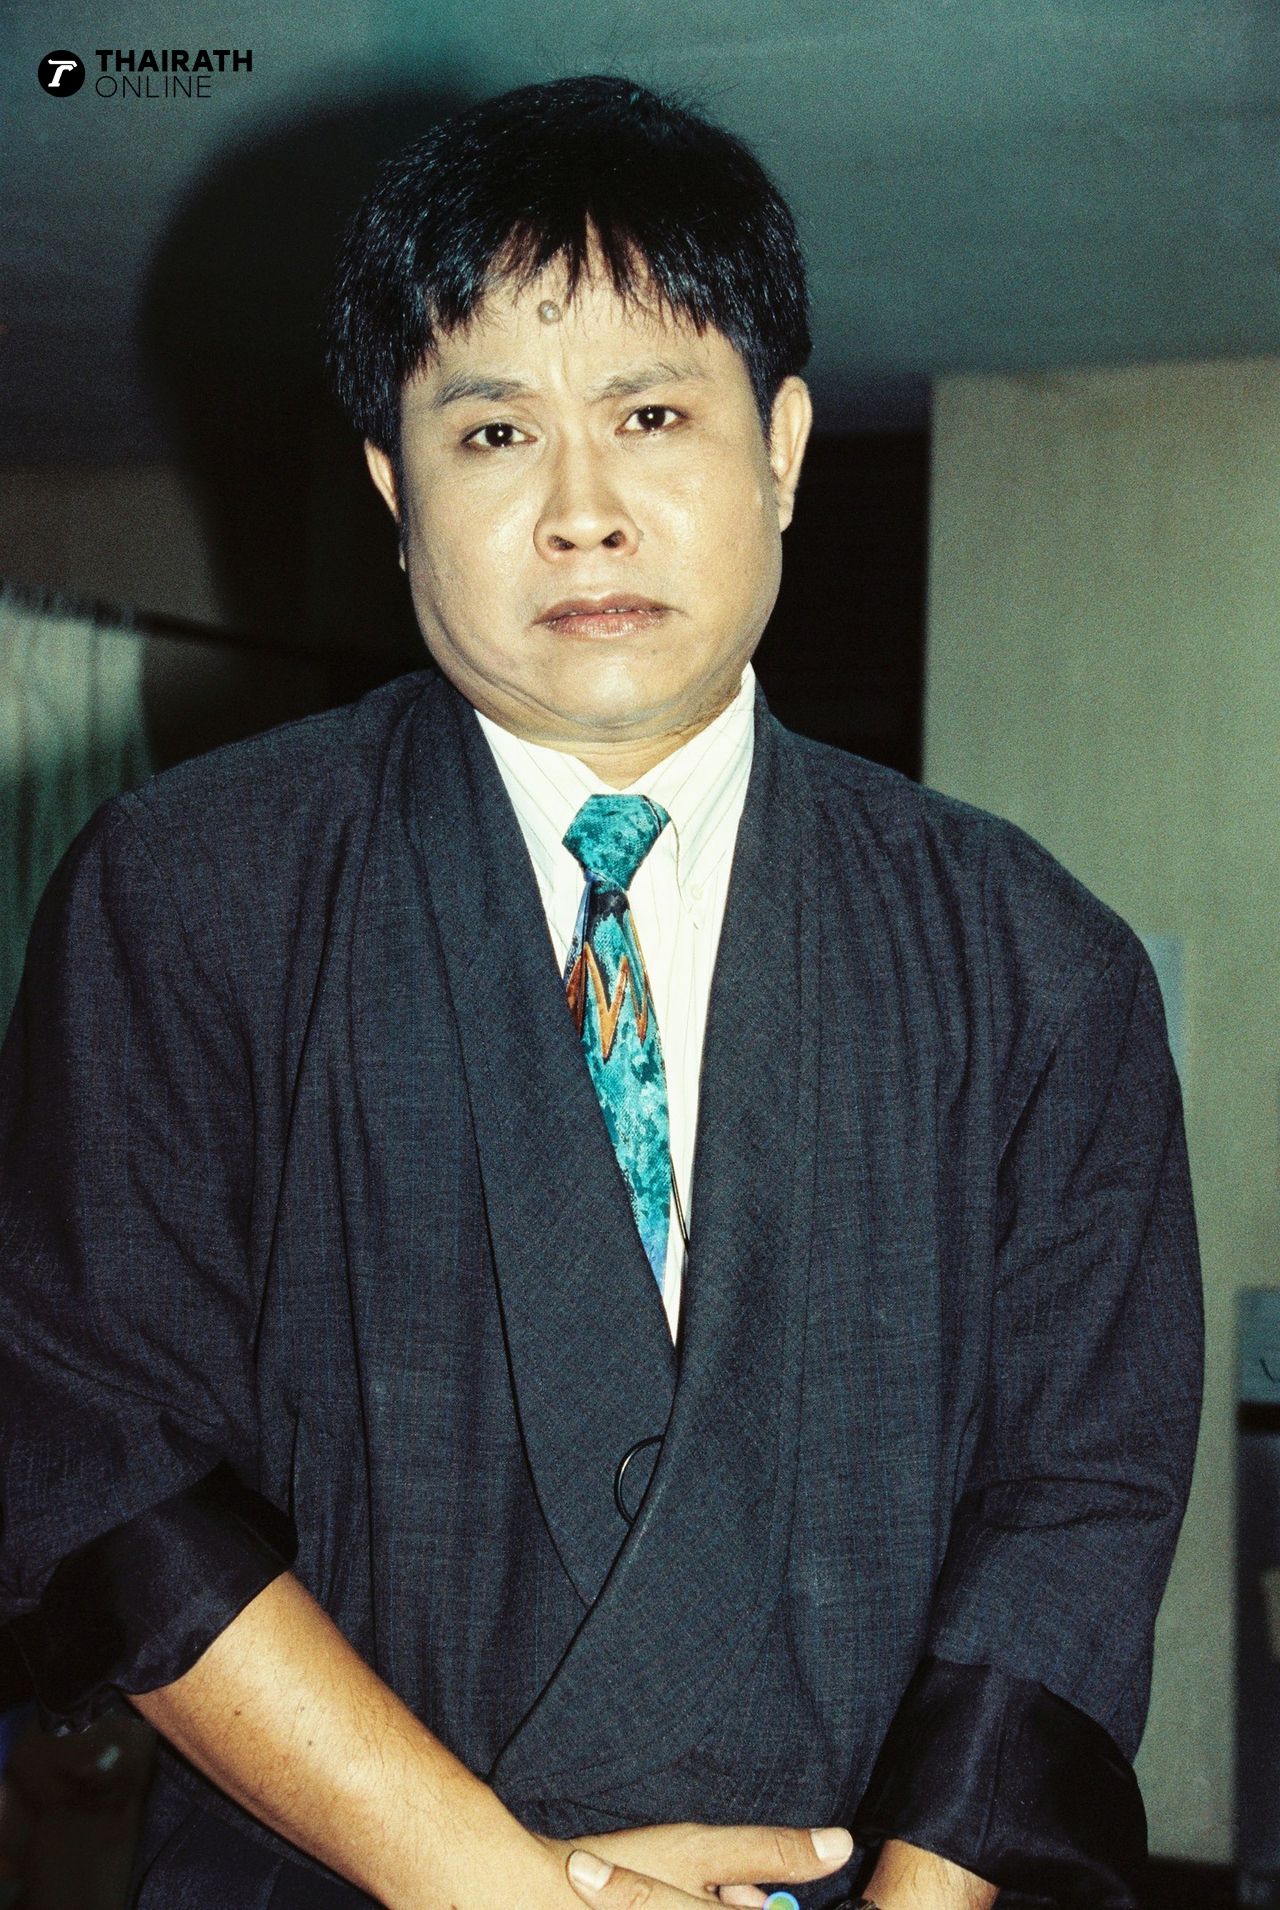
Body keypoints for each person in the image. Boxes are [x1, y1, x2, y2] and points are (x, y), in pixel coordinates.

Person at [0, 74, 1202, 1910]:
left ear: (780, 447)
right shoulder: (190, 895)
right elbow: (92, 1453)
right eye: (494, 432)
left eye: (651, 414)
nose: (583, 512)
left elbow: (1080, 1506)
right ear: (396, 487)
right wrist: (495, 1886)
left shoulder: (1038, 966)